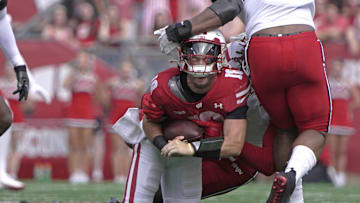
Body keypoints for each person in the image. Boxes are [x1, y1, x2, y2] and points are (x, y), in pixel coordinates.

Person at [154, 0, 332, 202]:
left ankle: (288, 181)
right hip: (302, 40)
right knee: (314, 128)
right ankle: (290, 175)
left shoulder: (231, 56)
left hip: (262, 47)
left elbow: (228, 6)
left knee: (284, 129)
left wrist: (179, 30)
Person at [118, 30, 273, 203]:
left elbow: (234, 144)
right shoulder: (164, 86)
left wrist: (191, 148)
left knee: (176, 195)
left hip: (213, 152)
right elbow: (149, 121)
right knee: (141, 182)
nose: (201, 64)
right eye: (195, 57)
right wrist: (163, 145)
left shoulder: (234, 84)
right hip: (169, 142)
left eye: (207, 56)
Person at [63, 50, 99, 184]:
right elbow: (65, 85)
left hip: (87, 114)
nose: (82, 62)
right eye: (80, 59)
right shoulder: (73, 75)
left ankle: (84, 173)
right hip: (73, 113)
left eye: (84, 59)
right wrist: (73, 70)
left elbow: (98, 96)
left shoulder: (94, 77)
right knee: (73, 145)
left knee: (85, 146)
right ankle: (73, 173)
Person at [105, 60, 143, 184]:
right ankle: (117, 175)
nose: (125, 72)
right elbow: (104, 99)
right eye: (123, 70)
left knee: (128, 149)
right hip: (115, 119)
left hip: (130, 120)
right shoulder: (113, 83)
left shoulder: (137, 84)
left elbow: (142, 101)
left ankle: (126, 175)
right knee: (117, 148)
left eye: (128, 70)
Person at [327, 59, 360, 187]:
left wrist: (349, 109)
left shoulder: (348, 83)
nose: (337, 70)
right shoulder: (328, 82)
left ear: (343, 69)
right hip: (333, 120)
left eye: (339, 67)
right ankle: (333, 175)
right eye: (335, 67)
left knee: (342, 151)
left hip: (344, 121)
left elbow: (357, 100)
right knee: (332, 150)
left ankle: (341, 176)